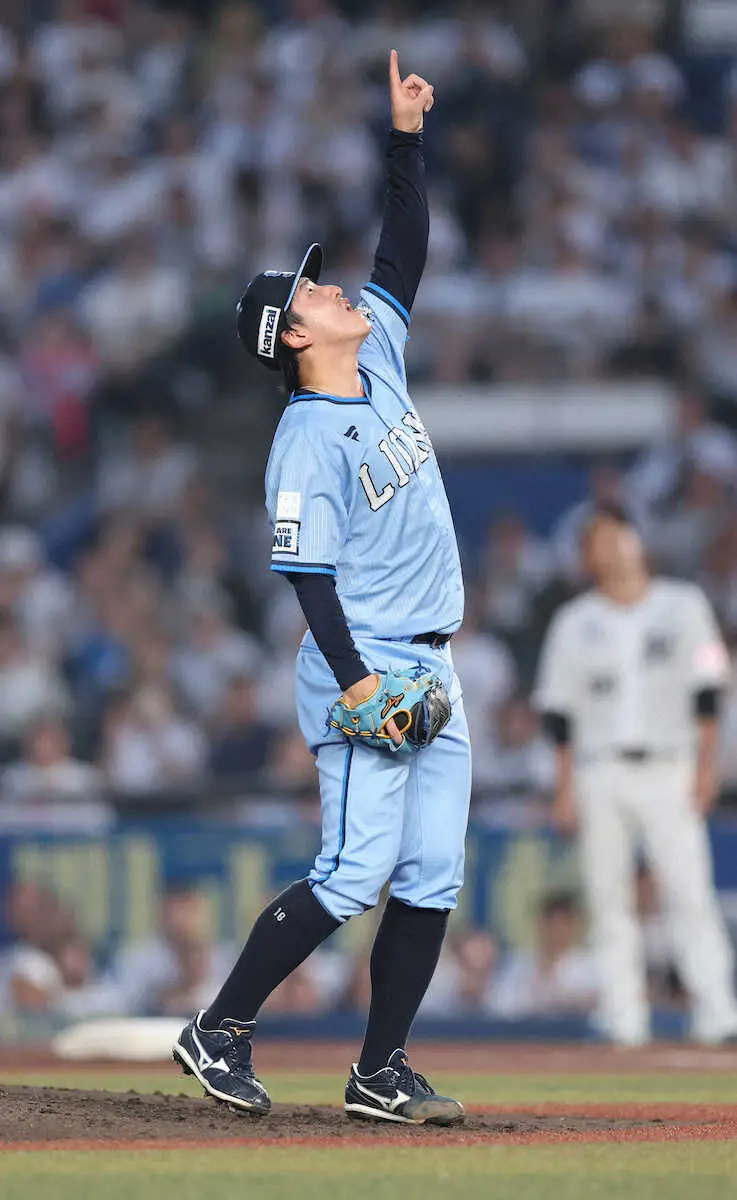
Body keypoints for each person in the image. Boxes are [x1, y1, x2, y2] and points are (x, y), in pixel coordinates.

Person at [174, 51, 469, 1127]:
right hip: (368, 660)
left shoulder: (375, 353)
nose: (331, 285)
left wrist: (405, 141)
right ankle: (218, 1028)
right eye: (309, 290)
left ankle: (379, 1070)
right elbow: (303, 570)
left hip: (434, 656)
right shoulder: (304, 437)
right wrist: (353, 682)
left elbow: (402, 250)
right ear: (294, 336)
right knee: (350, 874)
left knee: (430, 873)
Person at [535, 503, 737, 1045]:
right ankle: (623, 1017)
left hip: (671, 764)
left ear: (636, 539)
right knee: (608, 898)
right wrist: (563, 787)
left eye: (613, 536)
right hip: (599, 769)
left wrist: (707, 766)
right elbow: (558, 715)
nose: (606, 548)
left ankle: (717, 1011)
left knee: (688, 891)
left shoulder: (683, 604)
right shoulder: (575, 620)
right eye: (594, 542)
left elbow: (708, 691)